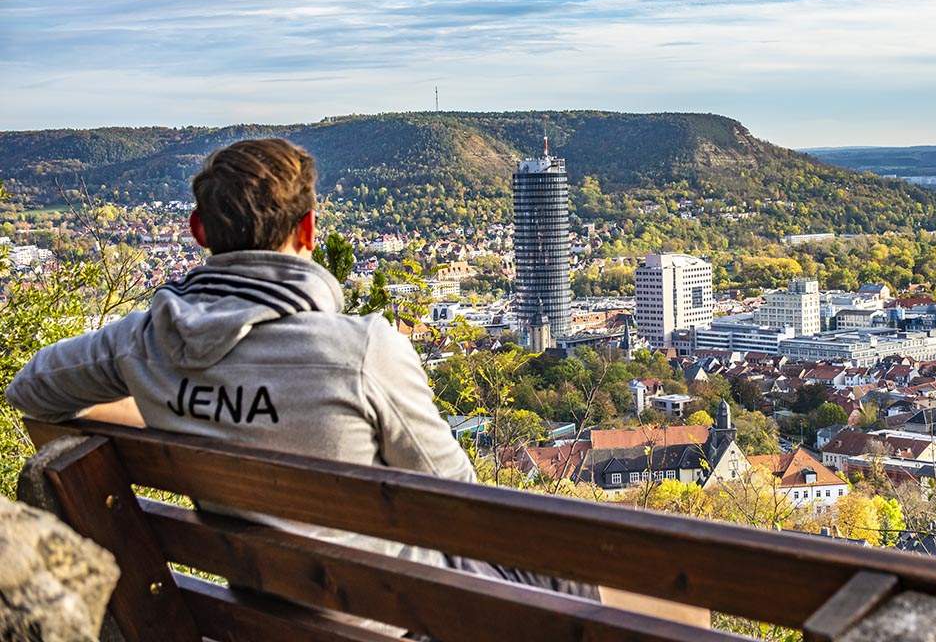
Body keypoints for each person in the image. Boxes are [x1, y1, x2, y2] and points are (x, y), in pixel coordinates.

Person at [5, 138, 615, 634]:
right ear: (309, 228)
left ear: (198, 229)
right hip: (392, 618)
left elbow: (30, 391)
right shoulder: (361, 350)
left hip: (255, 617)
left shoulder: (143, 343)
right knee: (632, 591)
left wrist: (173, 412)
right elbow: (458, 503)